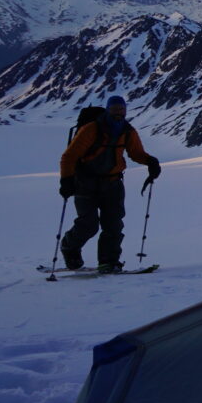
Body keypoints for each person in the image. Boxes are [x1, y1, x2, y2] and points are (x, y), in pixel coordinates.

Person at [59, 95, 161, 273]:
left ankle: (109, 262)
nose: (118, 114)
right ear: (108, 110)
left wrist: (151, 162)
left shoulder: (128, 131)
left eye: (121, 110)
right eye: (114, 110)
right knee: (88, 224)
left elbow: (136, 153)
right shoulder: (91, 129)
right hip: (85, 182)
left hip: (112, 183)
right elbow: (70, 156)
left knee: (113, 224)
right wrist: (66, 180)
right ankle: (69, 247)